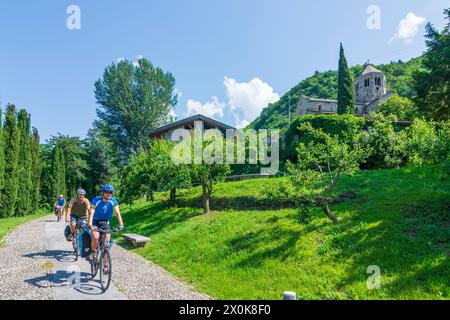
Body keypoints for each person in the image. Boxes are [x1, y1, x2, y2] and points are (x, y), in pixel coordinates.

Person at [88, 184, 124, 261]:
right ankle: (92, 252)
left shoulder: (113, 201)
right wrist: (90, 224)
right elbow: (91, 212)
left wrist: (121, 225)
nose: (109, 194)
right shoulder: (96, 200)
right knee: (96, 237)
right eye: (107, 192)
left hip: (105, 222)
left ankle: (105, 266)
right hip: (95, 221)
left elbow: (117, 212)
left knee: (106, 244)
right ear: (103, 193)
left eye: (110, 192)